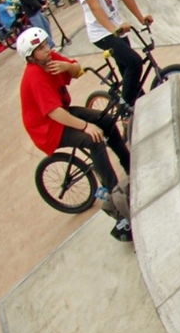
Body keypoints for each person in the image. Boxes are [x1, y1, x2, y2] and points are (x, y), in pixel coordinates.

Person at [17, 26, 133, 238]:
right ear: (31, 56)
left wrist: (66, 67)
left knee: (106, 121)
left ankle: (130, 163)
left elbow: (78, 70)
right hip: (47, 127)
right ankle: (117, 204)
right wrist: (85, 126)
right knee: (94, 139)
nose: (46, 49)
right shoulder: (34, 76)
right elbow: (54, 113)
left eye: (45, 44)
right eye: (40, 48)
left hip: (62, 112)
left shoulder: (51, 59)